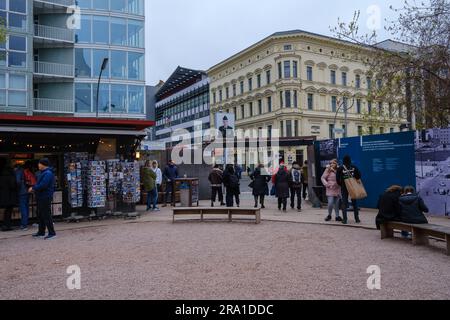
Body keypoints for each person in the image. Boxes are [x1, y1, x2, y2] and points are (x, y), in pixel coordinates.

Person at [29, 158, 56, 240]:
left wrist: (33, 188)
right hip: (41, 196)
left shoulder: (47, 173)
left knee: (46, 215)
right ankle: (41, 232)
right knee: (41, 215)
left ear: (43, 164)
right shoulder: (44, 173)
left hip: (45, 196)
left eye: (39, 163)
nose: (38, 165)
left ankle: (52, 233)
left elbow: (43, 185)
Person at [336, 155, 362, 224]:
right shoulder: (354, 167)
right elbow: (358, 176)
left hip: (344, 187)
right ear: (350, 160)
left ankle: (344, 220)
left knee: (344, 203)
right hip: (352, 187)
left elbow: (337, 179)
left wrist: (341, 184)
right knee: (354, 202)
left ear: (343, 161)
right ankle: (357, 219)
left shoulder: (340, 168)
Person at [15, 162, 35, 230]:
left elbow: (17, 181)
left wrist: (17, 188)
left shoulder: (19, 171)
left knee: (23, 208)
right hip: (28, 190)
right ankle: (25, 223)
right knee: (26, 207)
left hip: (21, 192)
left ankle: (24, 225)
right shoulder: (27, 171)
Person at [0, 158, 18, 232]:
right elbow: (13, 185)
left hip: (2, 195)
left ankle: (4, 225)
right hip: (10, 195)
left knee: (4, 211)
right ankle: (7, 225)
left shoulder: (1, 173)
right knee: (8, 211)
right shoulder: (11, 173)